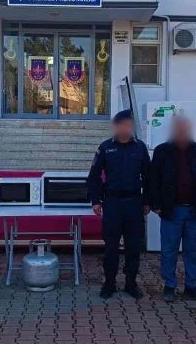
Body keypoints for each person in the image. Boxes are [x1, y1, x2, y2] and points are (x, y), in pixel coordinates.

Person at [87, 109, 151, 300]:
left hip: (134, 204)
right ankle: (109, 283)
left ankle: (131, 283)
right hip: (113, 203)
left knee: (134, 247)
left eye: (128, 125)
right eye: (122, 124)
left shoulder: (140, 148)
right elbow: (94, 177)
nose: (125, 128)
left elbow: (149, 177)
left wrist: (148, 201)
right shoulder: (105, 148)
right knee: (111, 247)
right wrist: (95, 201)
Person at [149, 116, 196, 302]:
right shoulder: (162, 151)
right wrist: (156, 205)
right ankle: (169, 285)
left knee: (192, 250)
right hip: (171, 210)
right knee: (169, 250)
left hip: (194, 210)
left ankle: (192, 285)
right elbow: (153, 179)